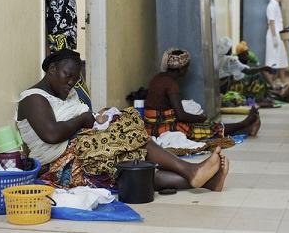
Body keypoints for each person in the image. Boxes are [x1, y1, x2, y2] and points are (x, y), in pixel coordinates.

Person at [16, 49, 229, 192]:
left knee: (130, 140)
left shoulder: (65, 93)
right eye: (67, 76)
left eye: (75, 79)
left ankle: (199, 177)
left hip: (85, 145)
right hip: (61, 163)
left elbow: (84, 119)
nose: (71, 83)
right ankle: (196, 175)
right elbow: (51, 134)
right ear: (52, 70)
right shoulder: (33, 98)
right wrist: (84, 118)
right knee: (123, 160)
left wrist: (100, 116)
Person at [144, 47, 261, 140]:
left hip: (152, 125)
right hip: (161, 128)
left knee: (205, 127)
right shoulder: (172, 84)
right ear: (180, 69)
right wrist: (201, 118)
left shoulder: (158, 77)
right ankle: (244, 124)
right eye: (186, 67)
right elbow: (181, 116)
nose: (187, 70)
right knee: (206, 126)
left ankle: (247, 129)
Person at [218, 37, 274, 107]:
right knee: (257, 78)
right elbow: (248, 71)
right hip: (226, 87)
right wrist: (264, 68)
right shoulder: (230, 60)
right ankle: (257, 100)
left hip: (217, 87)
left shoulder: (216, 58)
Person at [265, 0, 289, 85]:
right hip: (273, 37)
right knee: (272, 62)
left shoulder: (276, 5)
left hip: (278, 36)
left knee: (281, 61)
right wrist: (274, 37)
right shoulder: (271, 6)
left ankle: (283, 84)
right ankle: (270, 86)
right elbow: (271, 22)